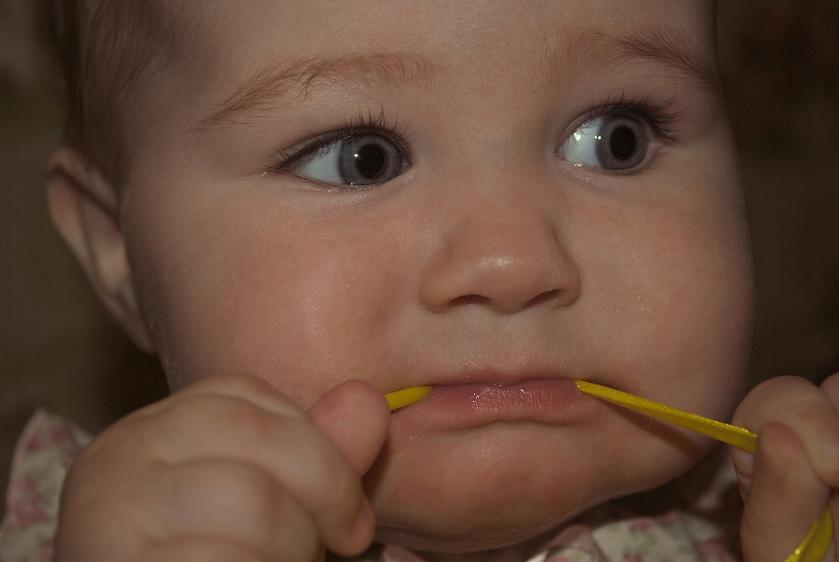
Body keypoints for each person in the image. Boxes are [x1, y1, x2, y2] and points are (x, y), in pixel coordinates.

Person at [2, 1, 838, 560]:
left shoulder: (778, 517)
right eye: (361, 161)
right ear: (118, 252)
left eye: (615, 138)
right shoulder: (104, 537)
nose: (513, 265)